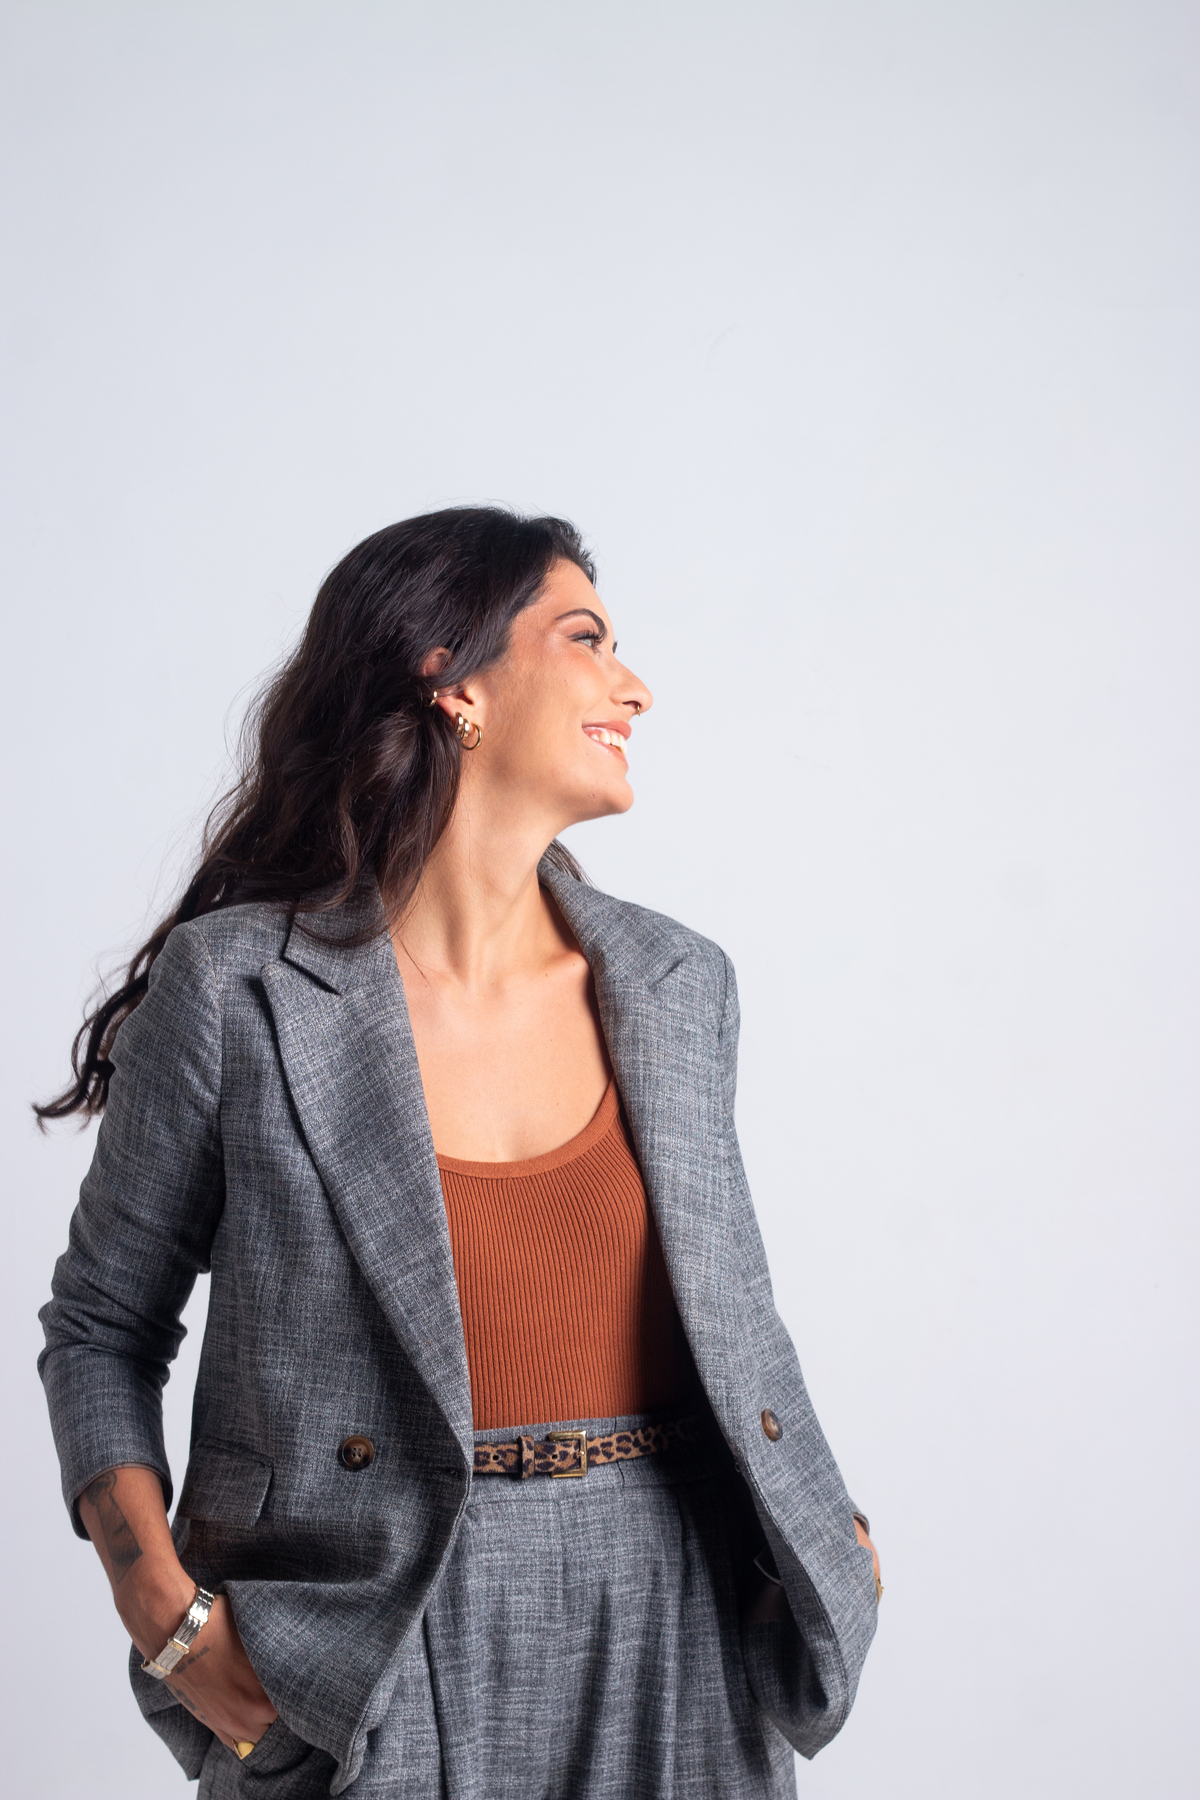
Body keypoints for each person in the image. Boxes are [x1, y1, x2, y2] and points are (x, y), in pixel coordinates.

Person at [38, 508, 880, 1799]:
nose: (635, 687)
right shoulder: (240, 991)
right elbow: (102, 1326)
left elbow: (731, 1316)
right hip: (370, 1635)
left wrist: (829, 1529)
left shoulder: (677, 985)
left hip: (675, 1615)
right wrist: (165, 1613)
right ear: (454, 681)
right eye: (587, 638)